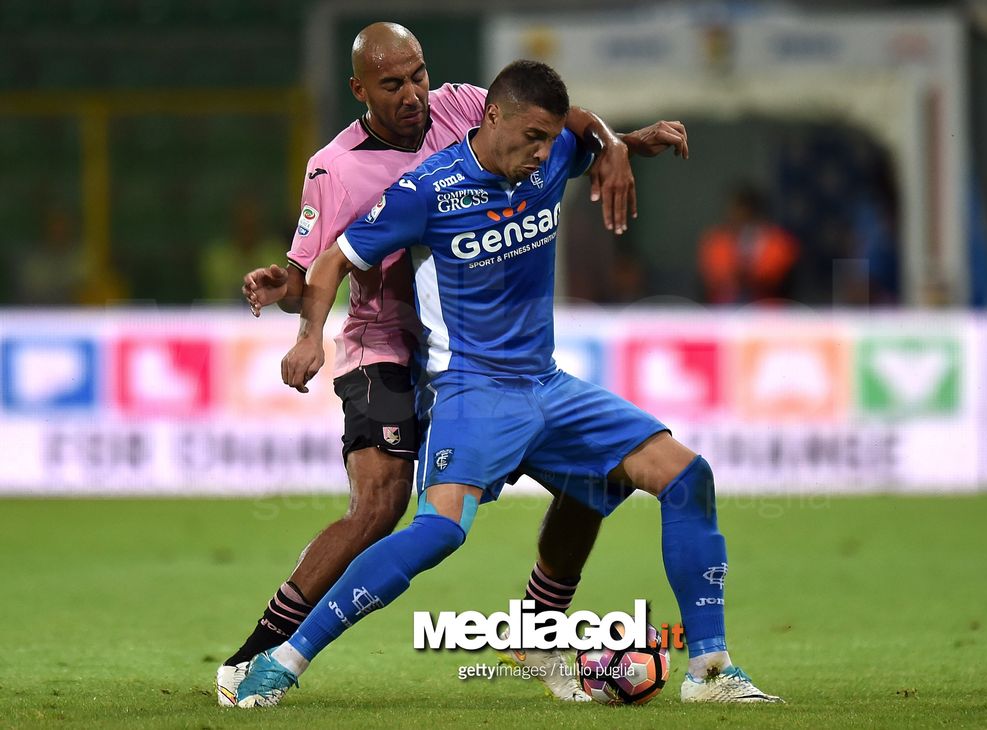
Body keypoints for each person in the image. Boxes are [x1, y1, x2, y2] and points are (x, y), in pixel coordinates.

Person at [237, 59, 779, 708]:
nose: (546, 154)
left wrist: (624, 143)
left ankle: (710, 671)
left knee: (686, 477)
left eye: (553, 140)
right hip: (473, 392)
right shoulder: (427, 192)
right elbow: (334, 260)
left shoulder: (548, 159)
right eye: (533, 138)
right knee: (437, 531)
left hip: (547, 387)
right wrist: (308, 338)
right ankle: (286, 659)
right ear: (491, 117)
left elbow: (586, 136)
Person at [697, 185, 799, 305]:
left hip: (768, 313)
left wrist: (750, 274)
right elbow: (712, 278)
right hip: (723, 313)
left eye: (745, 212)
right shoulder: (715, 242)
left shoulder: (779, 243)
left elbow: (777, 279)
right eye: (734, 211)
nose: (738, 217)